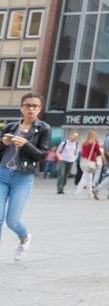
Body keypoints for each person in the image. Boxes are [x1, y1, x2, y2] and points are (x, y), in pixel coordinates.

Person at [0, 93, 51, 262]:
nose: (31, 109)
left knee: (12, 221)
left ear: (40, 109)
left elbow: (42, 155)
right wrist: (3, 143)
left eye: (35, 106)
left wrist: (26, 144)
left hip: (23, 178)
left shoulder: (44, 129)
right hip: (2, 175)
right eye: (28, 105)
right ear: (21, 107)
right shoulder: (10, 127)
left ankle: (24, 238)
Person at [75, 131, 101, 197]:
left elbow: (83, 153)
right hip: (90, 163)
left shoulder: (84, 143)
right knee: (84, 177)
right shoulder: (95, 144)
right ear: (94, 136)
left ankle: (90, 193)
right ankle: (77, 192)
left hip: (83, 162)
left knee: (89, 177)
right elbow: (98, 153)